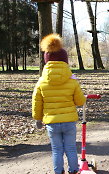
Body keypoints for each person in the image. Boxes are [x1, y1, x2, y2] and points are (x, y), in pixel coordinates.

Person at [32, 33, 86, 174]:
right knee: (71, 148)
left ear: (46, 61)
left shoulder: (41, 82)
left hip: (52, 122)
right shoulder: (72, 80)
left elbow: (37, 102)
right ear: (65, 61)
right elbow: (80, 101)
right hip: (69, 122)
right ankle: (74, 170)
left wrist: (38, 119)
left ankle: (58, 171)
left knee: (56, 149)